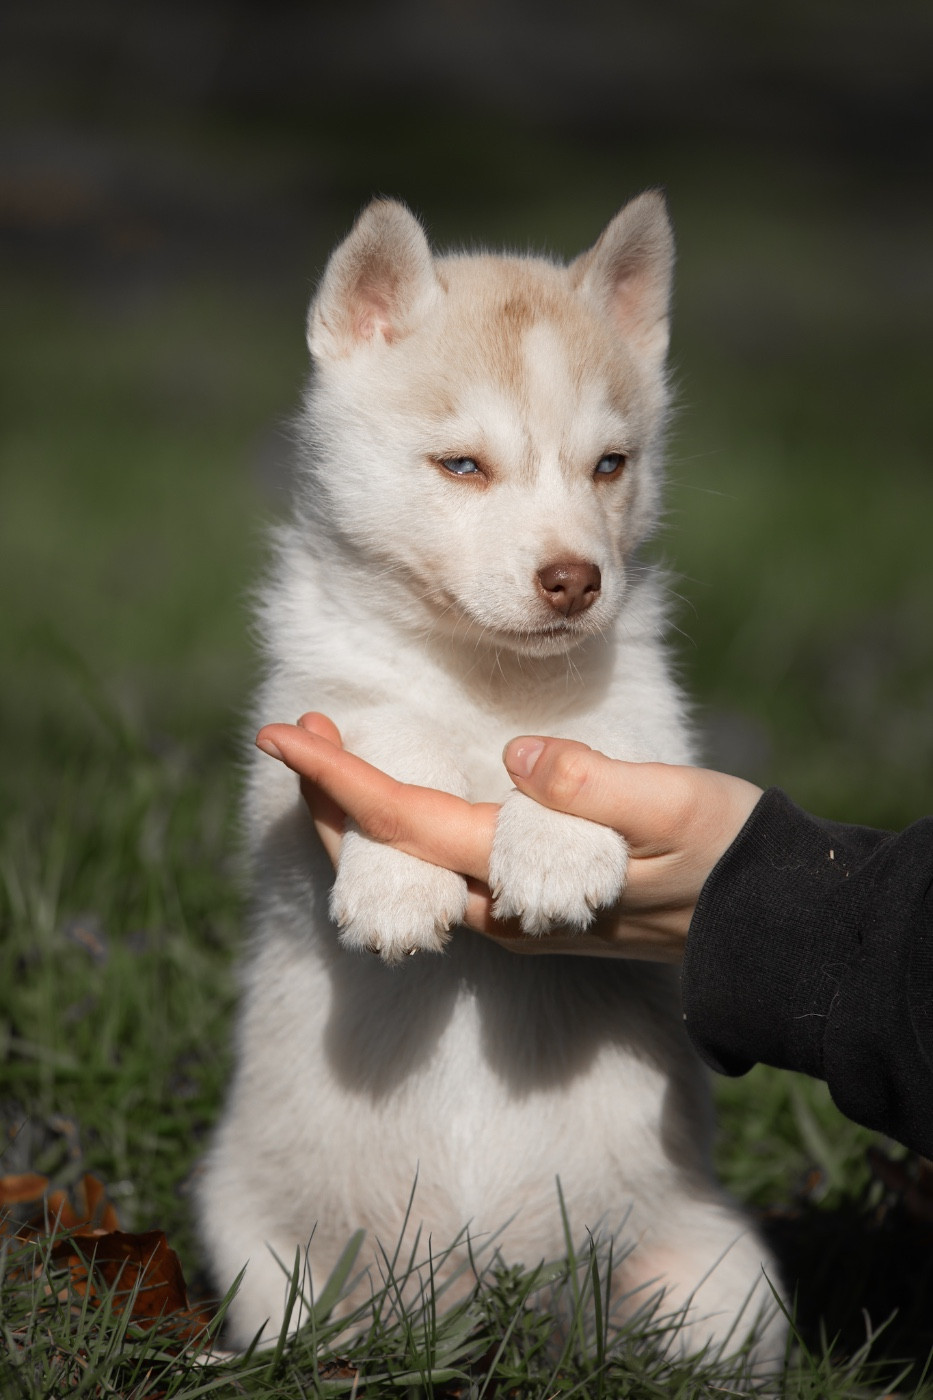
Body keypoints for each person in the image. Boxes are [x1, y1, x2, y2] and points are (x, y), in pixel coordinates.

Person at [255, 713, 933, 1158]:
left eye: (606, 478)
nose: (572, 559)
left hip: (625, 1233)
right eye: (464, 476)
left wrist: (789, 913)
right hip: (321, 1236)